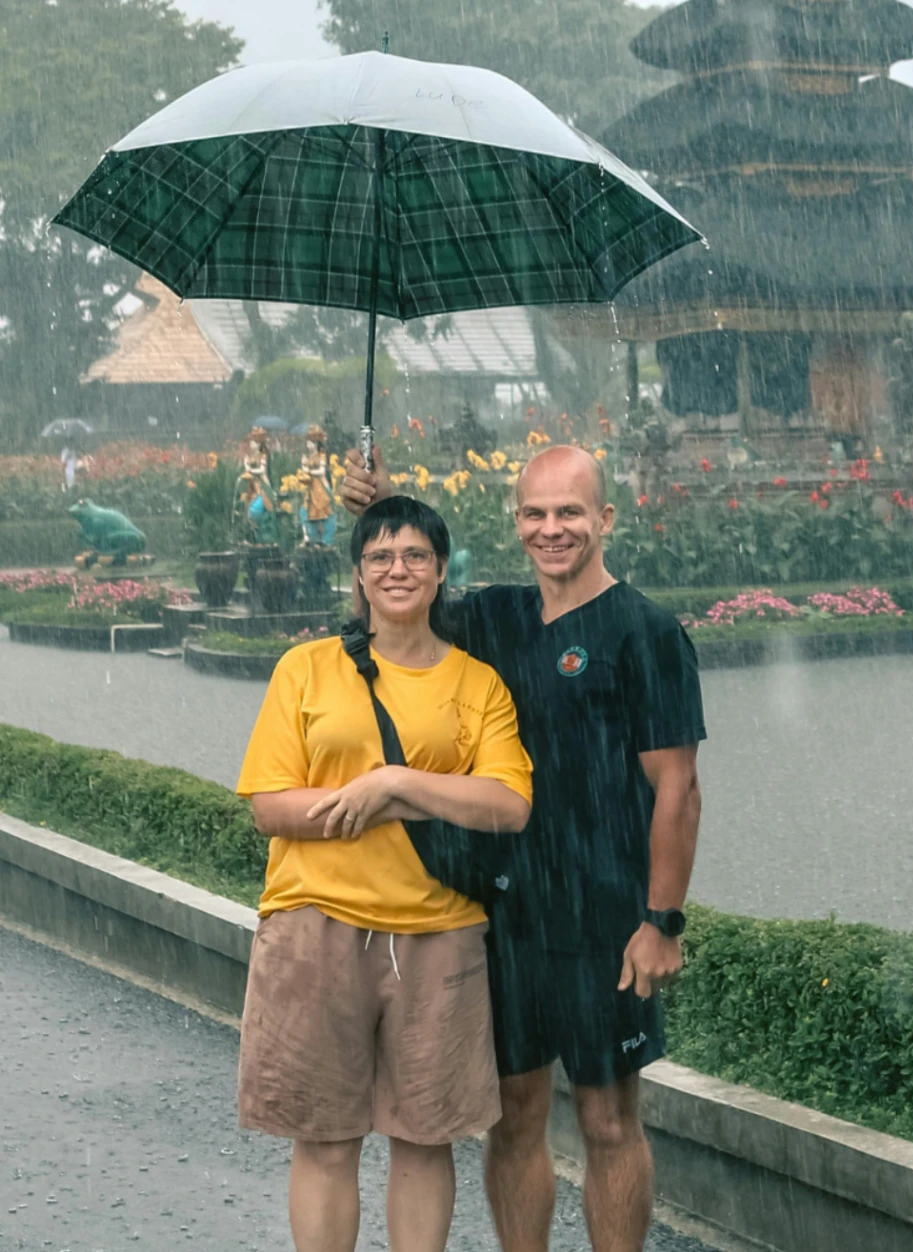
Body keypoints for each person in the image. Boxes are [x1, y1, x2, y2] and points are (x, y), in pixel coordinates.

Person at [341, 443, 705, 1252]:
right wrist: (381, 511)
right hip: (505, 911)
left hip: (605, 917)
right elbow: (397, 602)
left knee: (608, 1120)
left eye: (570, 512)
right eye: (535, 514)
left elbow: (678, 790)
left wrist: (661, 921)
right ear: (515, 523)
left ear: (605, 518)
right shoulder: (496, 619)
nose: (552, 529)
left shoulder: (645, 632)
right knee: (512, 1117)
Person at [235, 494, 534, 1252]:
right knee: (325, 1138)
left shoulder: (478, 683)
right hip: (316, 925)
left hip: (440, 933)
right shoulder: (306, 668)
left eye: (415, 556)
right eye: (380, 556)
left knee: (425, 1139)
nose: (398, 570)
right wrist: (388, 801)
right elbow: (271, 805)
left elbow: (508, 804)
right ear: (359, 575)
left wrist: (395, 785)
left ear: (441, 571)